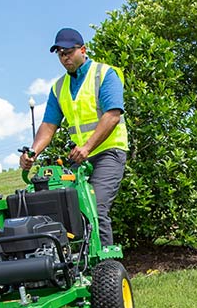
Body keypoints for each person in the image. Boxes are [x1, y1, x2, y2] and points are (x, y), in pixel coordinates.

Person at [20, 27, 128, 247]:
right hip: (80, 158)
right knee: (65, 207)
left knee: (95, 206)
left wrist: (87, 147)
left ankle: (106, 267)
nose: (64, 57)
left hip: (109, 152)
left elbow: (112, 115)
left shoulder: (105, 74)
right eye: (60, 53)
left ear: (83, 50)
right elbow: (49, 126)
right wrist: (33, 152)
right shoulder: (59, 88)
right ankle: (73, 266)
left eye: (68, 51)